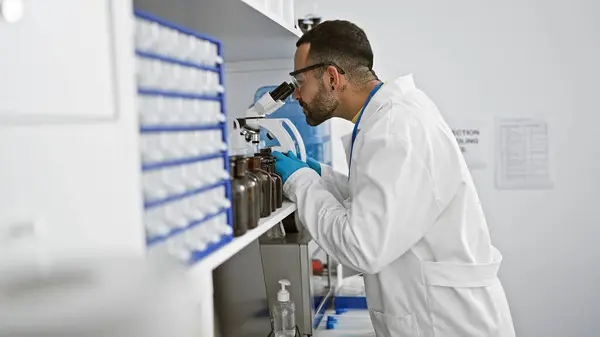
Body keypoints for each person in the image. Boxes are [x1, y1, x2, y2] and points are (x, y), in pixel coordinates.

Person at [273, 20, 515, 337]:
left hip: (449, 324)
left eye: (299, 82)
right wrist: (324, 177)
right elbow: (390, 208)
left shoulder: (395, 129)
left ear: (332, 77)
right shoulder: (389, 118)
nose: (296, 96)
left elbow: (362, 247)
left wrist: (300, 182)